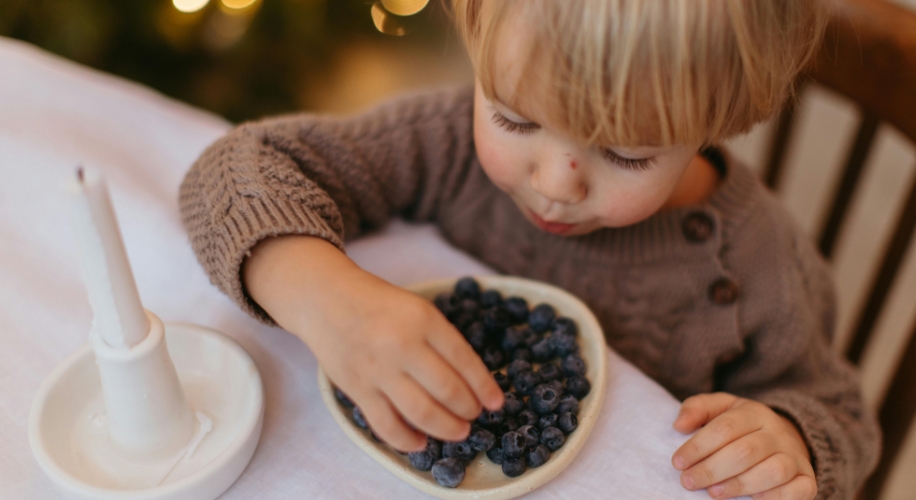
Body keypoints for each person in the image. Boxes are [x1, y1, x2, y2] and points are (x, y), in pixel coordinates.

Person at [179, 1, 879, 498]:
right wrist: (325, 297)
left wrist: (791, 440)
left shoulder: (755, 267)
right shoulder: (444, 144)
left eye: (625, 155)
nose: (552, 186)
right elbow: (232, 171)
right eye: (515, 117)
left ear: (720, 119)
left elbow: (840, 414)